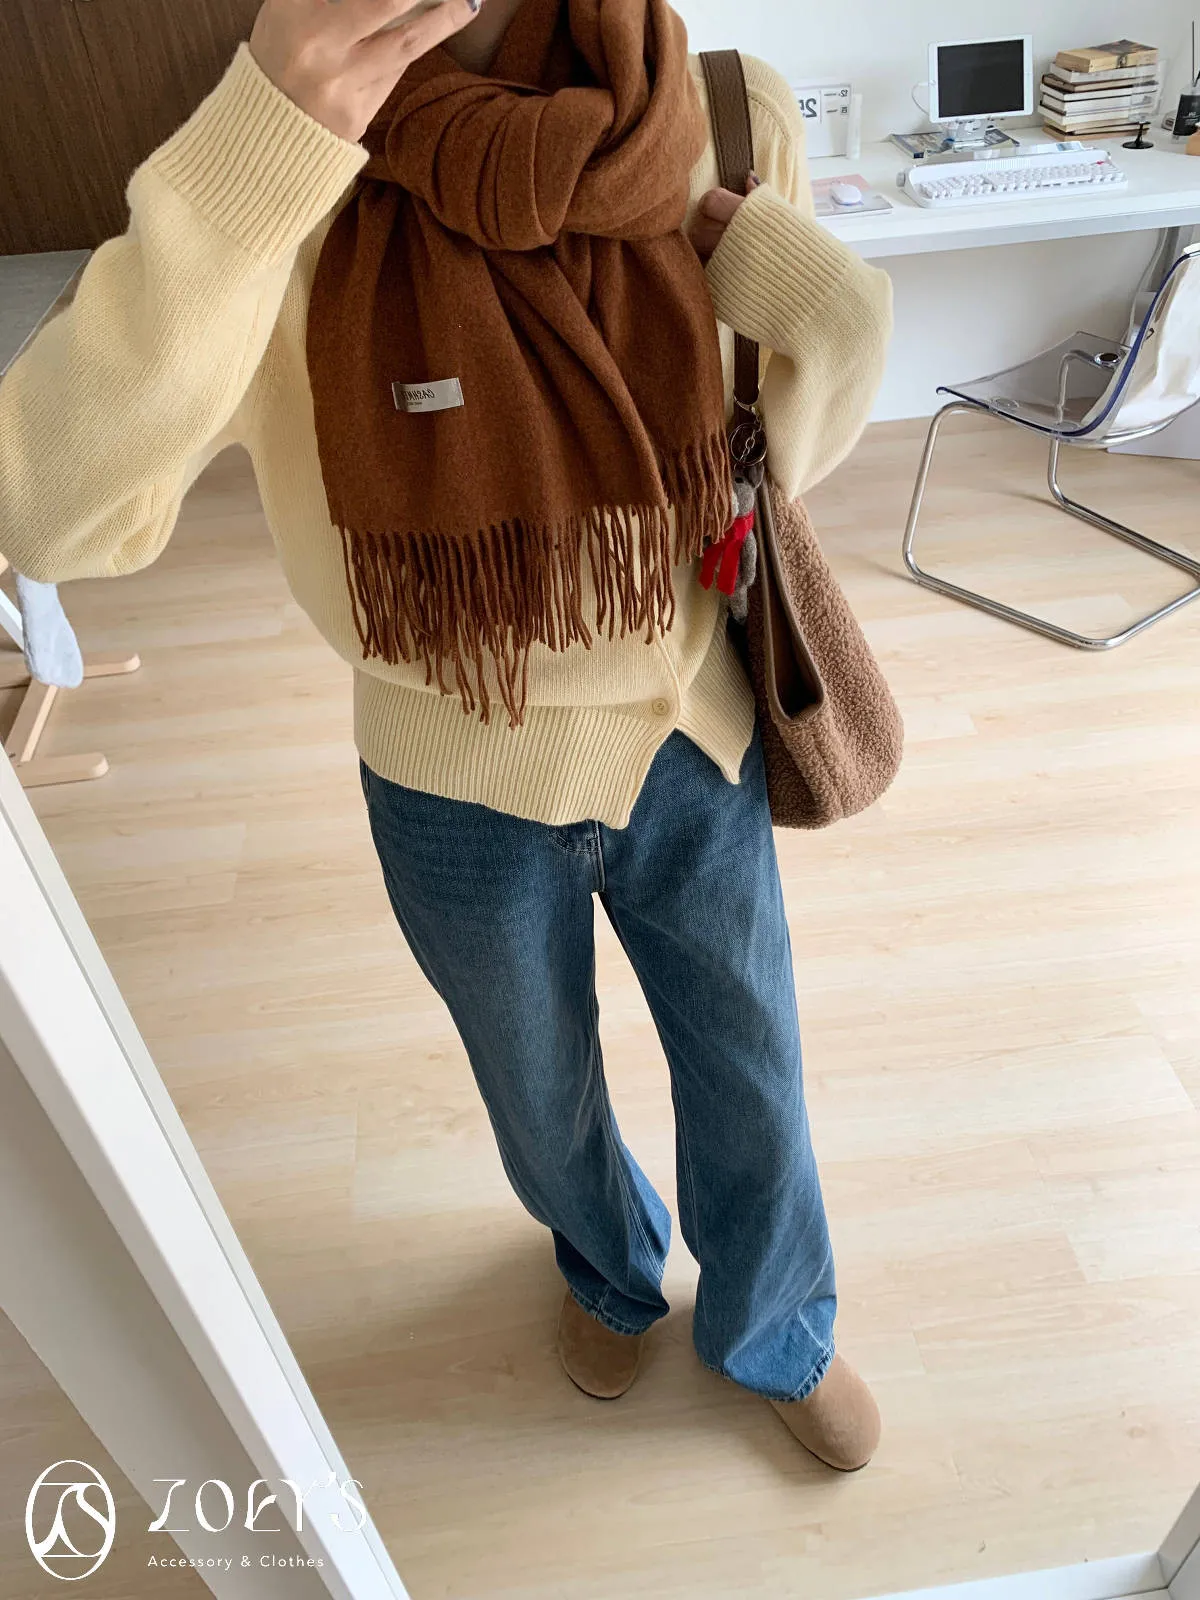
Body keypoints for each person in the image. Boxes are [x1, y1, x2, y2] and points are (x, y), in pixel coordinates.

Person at [0, 0, 892, 1470]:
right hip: (448, 775)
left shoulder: (725, 113)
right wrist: (259, 148)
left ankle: (778, 1329)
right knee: (536, 1093)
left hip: (689, 734)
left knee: (754, 1068)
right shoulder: (287, 163)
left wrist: (841, 322)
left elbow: (759, 469)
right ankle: (606, 1272)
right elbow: (47, 505)